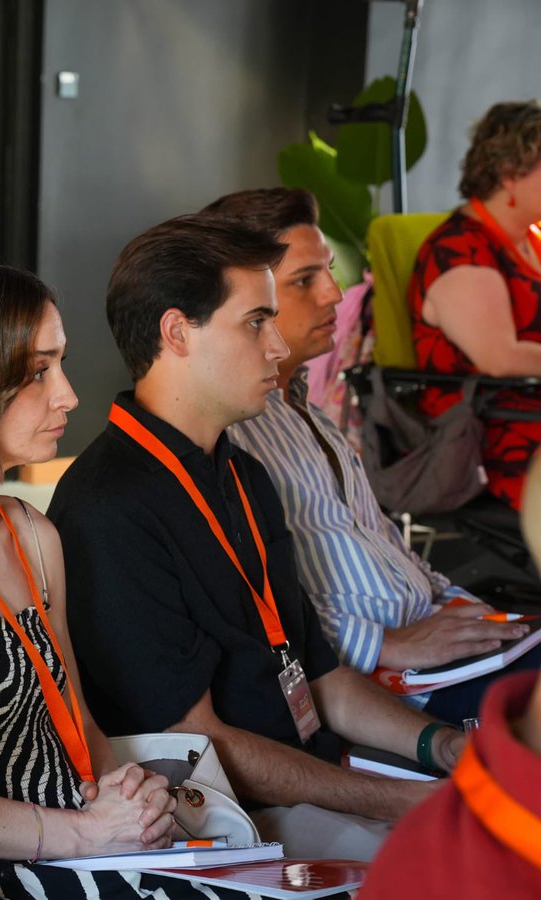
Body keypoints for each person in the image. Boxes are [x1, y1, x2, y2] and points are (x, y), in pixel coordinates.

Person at [48, 214, 466, 861]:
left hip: (320, 773)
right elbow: (200, 742)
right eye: (255, 322)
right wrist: (402, 800)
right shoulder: (107, 509)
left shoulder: (242, 473)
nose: (277, 346)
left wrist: (441, 747)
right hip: (230, 819)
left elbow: (319, 677)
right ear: (177, 331)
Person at [0, 258, 251, 900]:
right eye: (38, 371)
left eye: (59, 364)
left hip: (80, 841)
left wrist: (122, 788)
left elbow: (74, 722)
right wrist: (83, 834)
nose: (69, 395)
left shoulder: (33, 532)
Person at [204, 187, 537, 726]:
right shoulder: (229, 434)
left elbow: (384, 545)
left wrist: (460, 605)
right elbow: (251, 600)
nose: (336, 295)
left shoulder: (306, 416)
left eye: (329, 272)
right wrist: (384, 644)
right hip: (375, 681)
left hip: (430, 638)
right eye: (304, 281)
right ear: (247, 299)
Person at [362, 454, 541, 898]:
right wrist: (381, 643)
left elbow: (396, 550)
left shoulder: (420, 863)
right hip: (396, 669)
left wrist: (458, 604)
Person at [408, 99, 541, 510]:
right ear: (509, 175)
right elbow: (500, 358)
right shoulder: (460, 250)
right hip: (498, 432)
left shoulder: (530, 239)